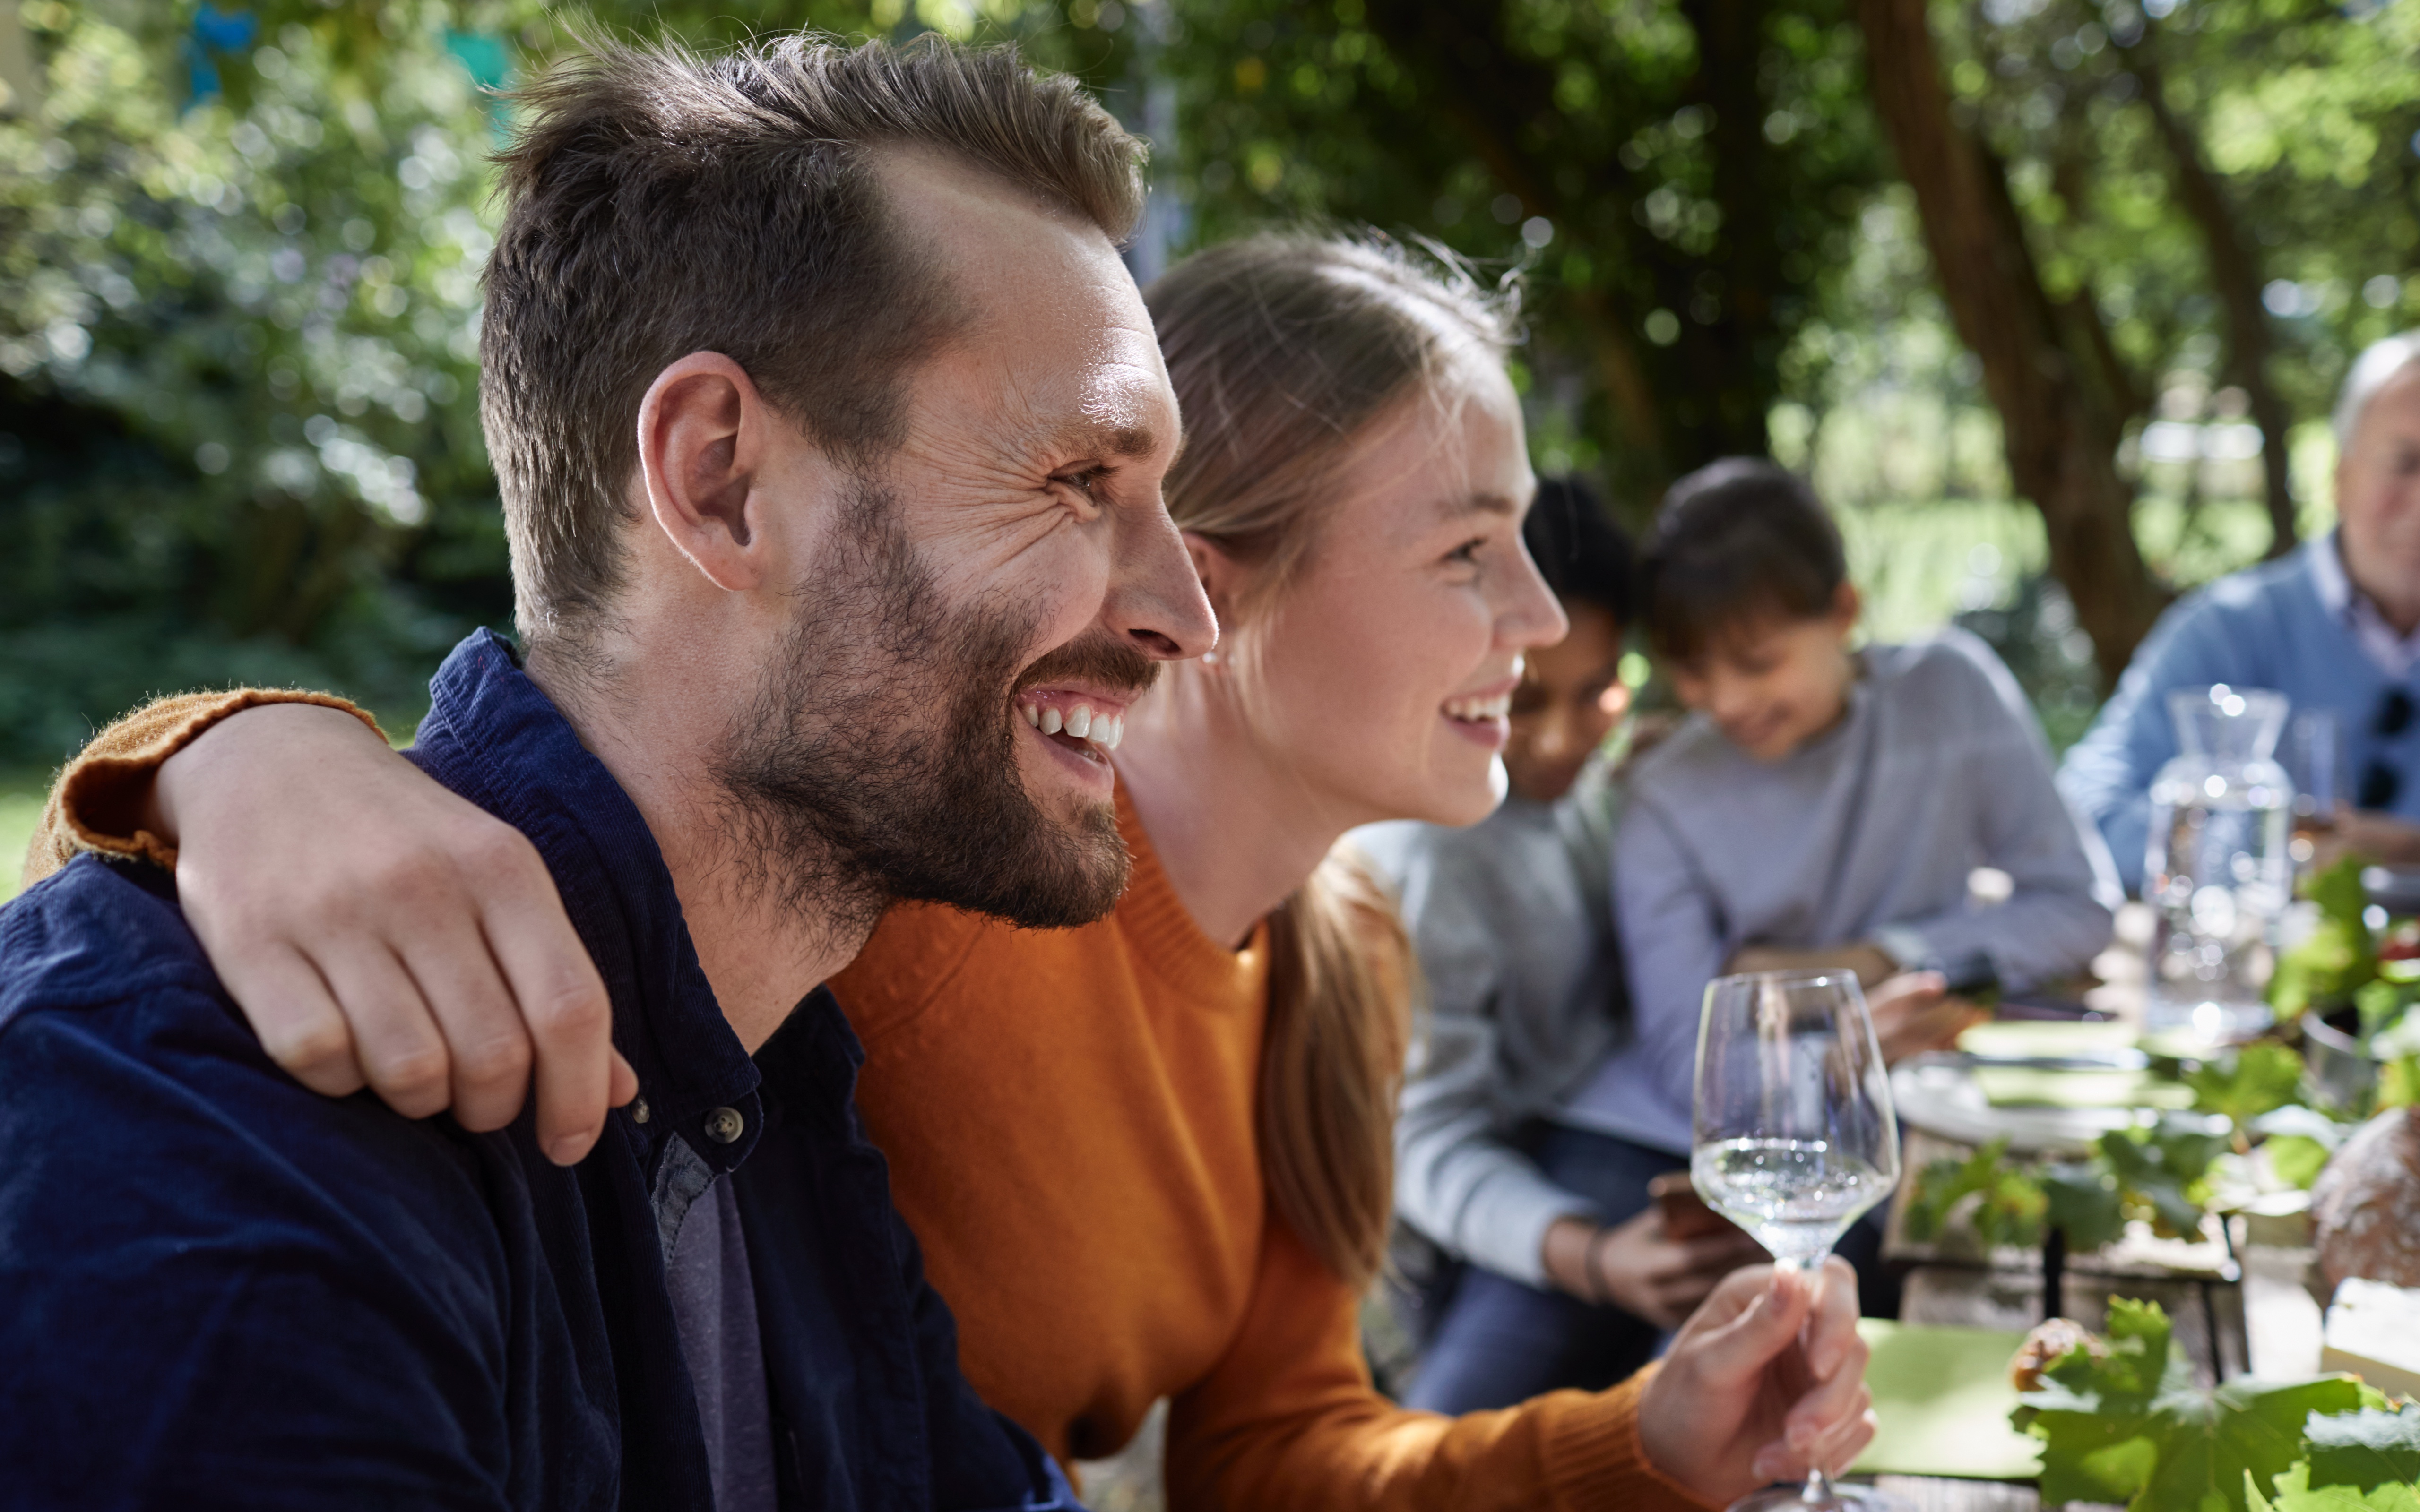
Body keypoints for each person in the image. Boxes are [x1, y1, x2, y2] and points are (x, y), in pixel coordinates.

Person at [27, 241, 1880, 1508]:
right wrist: (227, 751)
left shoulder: (1330, 953)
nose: (1547, 618)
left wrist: (1642, 1441)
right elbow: (590, 802)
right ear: (1218, 586)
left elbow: (1271, 1451)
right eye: (1469, 551)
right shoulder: (935, 884)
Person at [0, 34, 1223, 1509]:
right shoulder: (207, 1111)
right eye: (1079, 479)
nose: (1186, 614)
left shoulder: (780, 1094)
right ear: (720, 479)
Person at [1566, 458, 2118, 1286]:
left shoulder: (1950, 695)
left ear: (1845, 612)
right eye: (1692, 671)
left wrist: (1872, 961)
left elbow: (2078, 908)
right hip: (1646, 1140)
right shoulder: (1665, 789)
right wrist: (1847, 1049)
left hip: (1853, 1144)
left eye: (1757, 661)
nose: (1725, 701)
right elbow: (1687, 1066)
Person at [1353, 481, 1765, 1414]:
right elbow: (1424, 1145)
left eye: (1598, 693)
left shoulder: (1598, 794)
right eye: (1526, 698)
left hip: (1624, 1165)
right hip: (1488, 1242)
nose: (1561, 738)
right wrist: (1593, 1256)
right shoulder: (1426, 854)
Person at [2060, 330, 2420, 890]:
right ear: (2340, 477)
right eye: (2404, 463)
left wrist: (2404, 846)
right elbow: (2083, 817)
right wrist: (2267, 848)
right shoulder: (2228, 629)